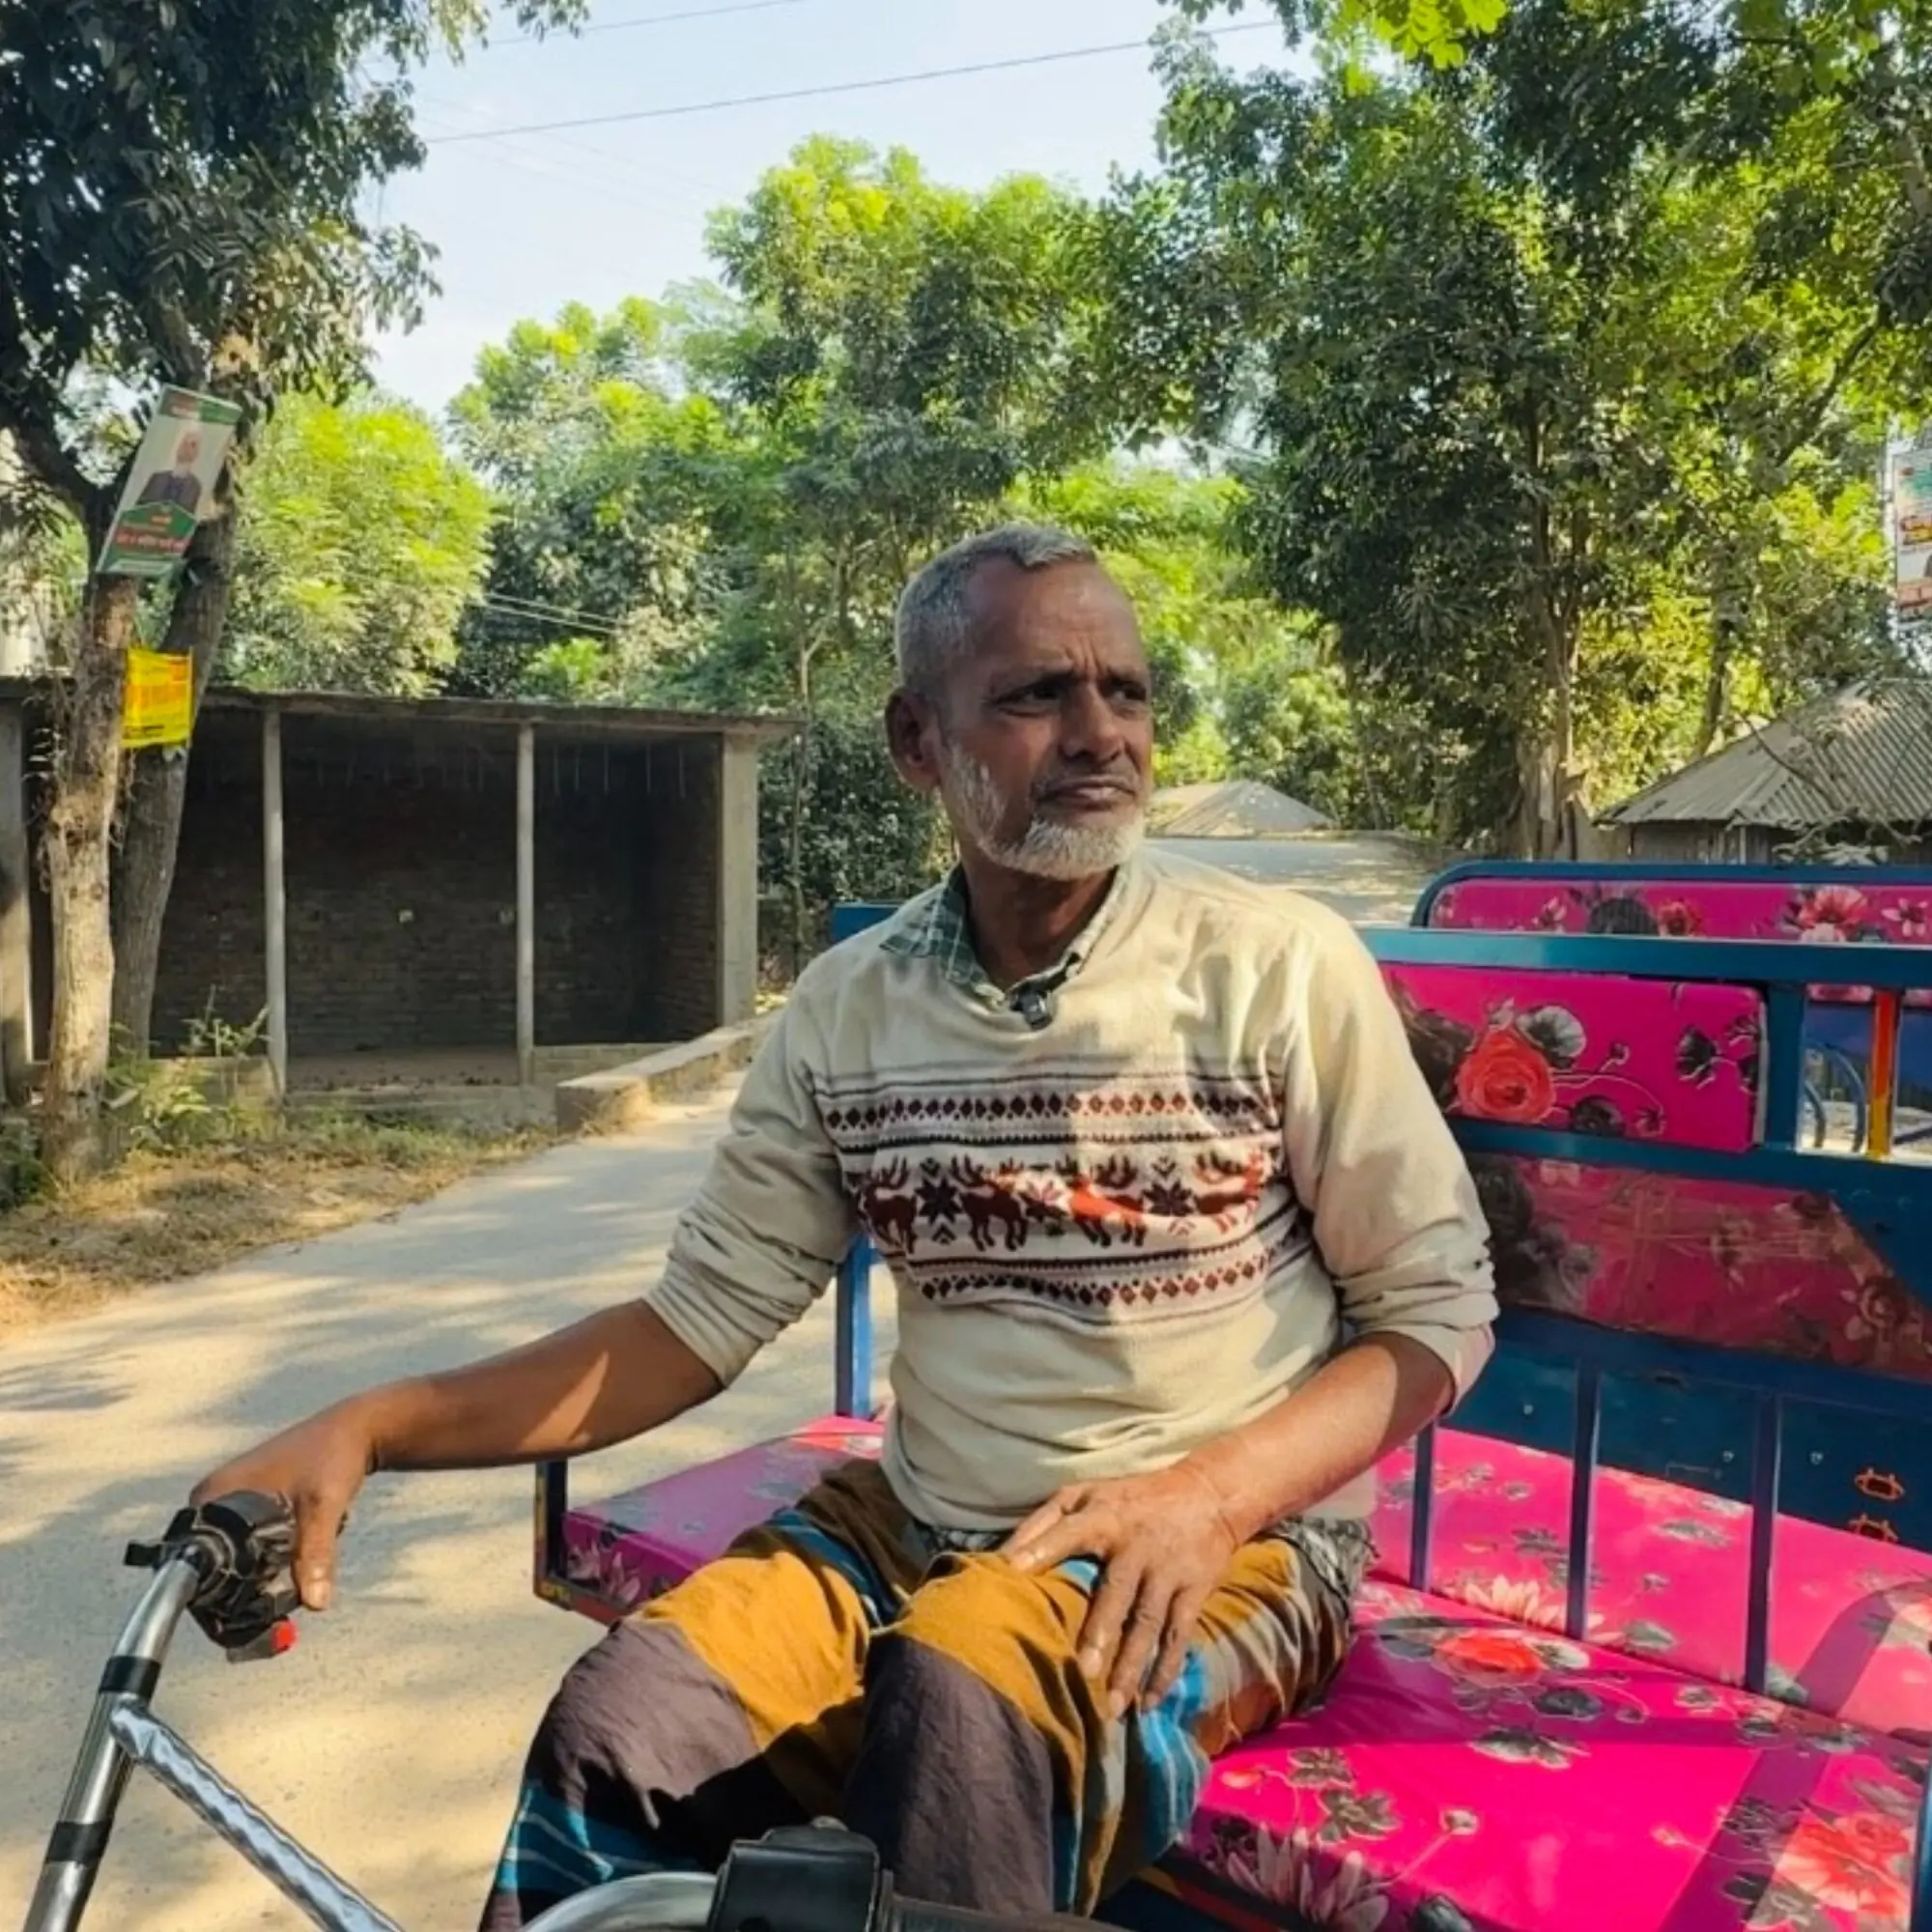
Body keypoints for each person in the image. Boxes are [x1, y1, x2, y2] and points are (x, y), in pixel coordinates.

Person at [192, 525, 1498, 1931]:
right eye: (1036, 694)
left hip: (1227, 1543)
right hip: (918, 1518)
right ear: (916, 740)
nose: (1100, 732)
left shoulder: (1272, 964)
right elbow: (690, 1330)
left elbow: (1436, 1315)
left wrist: (1207, 1499)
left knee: (966, 1693)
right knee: (618, 1728)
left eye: (1125, 691)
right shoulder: (848, 1008)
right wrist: (370, 1426)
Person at [132, 430, 205, 514]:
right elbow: (138, 510)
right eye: (184, 443)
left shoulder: (195, 486)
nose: (186, 447)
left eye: (192, 445)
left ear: (196, 453)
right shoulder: (156, 478)